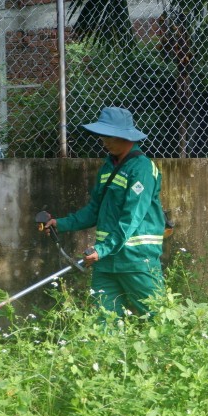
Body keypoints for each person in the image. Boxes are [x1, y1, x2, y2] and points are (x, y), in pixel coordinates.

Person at [45, 107, 166, 317]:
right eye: (103, 135)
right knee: (103, 319)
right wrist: (61, 223)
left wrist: (102, 249)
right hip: (106, 262)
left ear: (125, 135)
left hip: (136, 260)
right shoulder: (108, 166)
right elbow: (94, 210)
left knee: (158, 316)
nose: (105, 141)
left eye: (110, 136)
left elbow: (132, 217)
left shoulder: (143, 169)